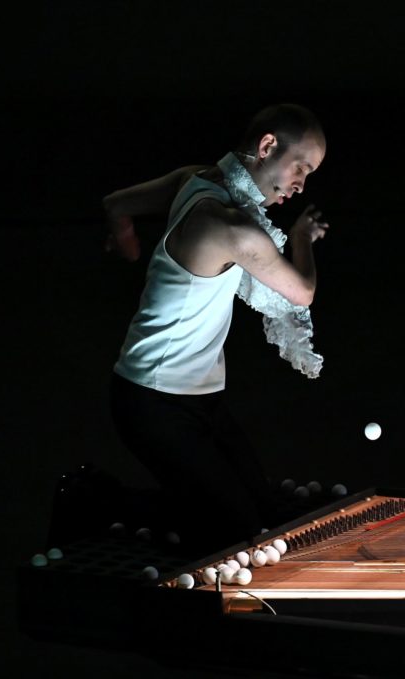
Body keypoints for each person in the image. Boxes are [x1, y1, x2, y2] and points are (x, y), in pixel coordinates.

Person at [102, 103, 329, 554]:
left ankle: (194, 505)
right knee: (236, 533)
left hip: (200, 399)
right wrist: (301, 238)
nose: (301, 185)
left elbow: (117, 205)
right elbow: (300, 292)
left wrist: (126, 242)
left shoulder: (196, 179)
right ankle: (98, 503)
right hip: (152, 402)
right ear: (267, 146)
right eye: (300, 167)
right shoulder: (231, 228)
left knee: (265, 510)